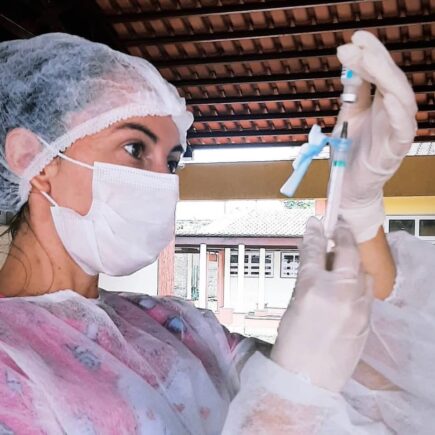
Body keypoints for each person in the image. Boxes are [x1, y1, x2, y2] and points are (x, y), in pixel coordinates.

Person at [0, 30, 433, 434]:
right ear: (31, 157)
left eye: (172, 162)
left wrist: (358, 216)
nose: (163, 181)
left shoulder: (171, 326)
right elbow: (296, 402)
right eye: (135, 148)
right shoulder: (9, 360)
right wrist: (287, 400)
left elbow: (373, 398)